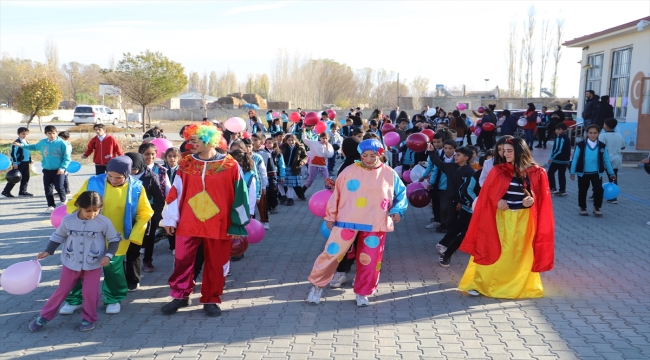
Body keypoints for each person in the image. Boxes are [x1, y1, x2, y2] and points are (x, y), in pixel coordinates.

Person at [160, 123, 251, 317]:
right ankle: (180, 296)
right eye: (189, 140)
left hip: (219, 224)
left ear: (209, 140)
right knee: (182, 261)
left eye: (195, 140)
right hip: (188, 223)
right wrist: (170, 218)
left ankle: (211, 299)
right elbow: (175, 192)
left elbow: (240, 195)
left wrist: (237, 223)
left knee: (216, 263)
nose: (190, 144)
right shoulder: (186, 164)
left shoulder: (230, 165)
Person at [307, 139, 407, 306]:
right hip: (347, 220)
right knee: (331, 255)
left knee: (370, 260)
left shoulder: (389, 173)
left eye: (373, 155)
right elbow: (336, 194)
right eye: (364, 155)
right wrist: (331, 216)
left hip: (375, 222)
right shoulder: (349, 171)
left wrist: (398, 210)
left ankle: (363, 292)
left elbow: (401, 194)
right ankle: (317, 286)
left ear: (380, 155)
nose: (368, 159)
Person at [459, 137, 555, 299]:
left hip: (524, 219)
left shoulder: (537, 172)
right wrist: (498, 201)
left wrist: (532, 200)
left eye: (509, 151)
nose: (505, 154)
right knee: (492, 248)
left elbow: (542, 198)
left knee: (519, 253)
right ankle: (480, 284)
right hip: (501, 218)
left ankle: (515, 285)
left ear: (520, 151)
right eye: (504, 151)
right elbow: (487, 195)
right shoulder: (498, 170)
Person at [59, 156, 153, 315]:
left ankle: (114, 298)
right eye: (110, 176)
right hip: (88, 236)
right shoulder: (93, 182)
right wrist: (76, 216)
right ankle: (74, 299)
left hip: (118, 237)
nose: (113, 180)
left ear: (128, 174)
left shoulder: (136, 187)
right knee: (79, 267)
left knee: (114, 270)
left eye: (119, 177)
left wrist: (135, 234)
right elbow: (75, 201)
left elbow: (145, 212)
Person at [29, 191, 122, 332]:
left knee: (90, 293)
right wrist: (48, 250)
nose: (92, 214)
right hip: (70, 263)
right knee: (62, 291)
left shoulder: (104, 222)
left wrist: (108, 256)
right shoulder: (68, 221)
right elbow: (58, 236)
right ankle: (44, 316)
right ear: (79, 206)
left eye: (96, 211)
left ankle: (89, 318)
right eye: (88, 211)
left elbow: (114, 240)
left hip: (93, 264)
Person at [428, 146, 476, 267]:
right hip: (452, 200)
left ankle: (445, 244)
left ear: (466, 158)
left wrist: (462, 202)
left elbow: (467, 189)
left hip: (463, 203)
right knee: (455, 224)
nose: (455, 156)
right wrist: (432, 151)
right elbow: (438, 162)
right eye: (456, 154)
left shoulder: (469, 172)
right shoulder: (451, 167)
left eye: (458, 155)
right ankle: (444, 245)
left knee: (459, 225)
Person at [123, 152, 164, 291]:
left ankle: (135, 278)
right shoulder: (121, 176)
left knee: (136, 248)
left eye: (135, 168)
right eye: (130, 168)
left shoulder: (150, 176)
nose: (132, 171)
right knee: (122, 250)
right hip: (123, 216)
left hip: (145, 215)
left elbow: (159, 198)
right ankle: (122, 278)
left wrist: (157, 216)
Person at [13, 125, 71, 212]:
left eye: (53, 133)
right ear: (46, 134)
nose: (52, 135)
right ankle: (51, 206)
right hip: (47, 169)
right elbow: (33, 147)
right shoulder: (43, 142)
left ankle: (63, 201)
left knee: (59, 187)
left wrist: (62, 168)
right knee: (48, 189)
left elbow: (67, 158)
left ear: (56, 133)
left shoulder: (62, 143)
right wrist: (21, 145)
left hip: (59, 170)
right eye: (49, 133)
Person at [570, 124, 616, 217]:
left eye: (595, 133)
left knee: (598, 190)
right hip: (583, 173)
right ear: (587, 133)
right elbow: (575, 158)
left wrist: (611, 173)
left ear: (598, 133)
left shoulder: (602, 146)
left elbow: (606, 160)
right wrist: (572, 171)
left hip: (596, 173)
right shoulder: (581, 145)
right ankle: (582, 207)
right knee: (582, 190)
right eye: (590, 133)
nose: (592, 135)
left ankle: (597, 207)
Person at [598, 118, 625, 204]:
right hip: (617, 158)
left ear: (605, 125)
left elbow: (599, 147)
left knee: (598, 177)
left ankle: (598, 194)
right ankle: (614, 196)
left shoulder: (602, 136)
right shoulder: (619, 135)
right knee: (613, 176)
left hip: (606, 159)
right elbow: (623, 147)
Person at [2, 127, 32, 197]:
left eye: (26, 134)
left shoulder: (26, 142)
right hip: (19, 163)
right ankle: (6, 191)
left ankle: (22, 191)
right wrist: (15, 163)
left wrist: (30, 159)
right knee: (15, 177)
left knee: (26, 177)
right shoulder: (16, 143)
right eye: (23, 134)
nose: (25, 135)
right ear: (18, 134)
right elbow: (13, 154)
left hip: (26, 162)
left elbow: (27, 151)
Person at [280, 134, 308, 205]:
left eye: (292, 140)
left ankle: (290, 199)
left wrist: (302, 161)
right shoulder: (283, 146)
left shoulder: (300, 147)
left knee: (290, 184)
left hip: (293, 168)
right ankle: (283, 196)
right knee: (280, 182)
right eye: (289, 140)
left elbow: (305, 156)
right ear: (286, 141)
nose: (291, 142)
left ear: (295, 140)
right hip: (283, 167)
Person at [163, 147, 181, 252]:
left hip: (178, 200)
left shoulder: (182, 170)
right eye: (169, 156)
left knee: (177, 221)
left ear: (179, 158)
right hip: (166, 200)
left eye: (175, 156)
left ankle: (177, 244)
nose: (172, 159)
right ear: (166, 158)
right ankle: (172, 245)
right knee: (168, 221)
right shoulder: (162, 170)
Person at [547, 123, 571, 197]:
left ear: (564, 130)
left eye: (559, 129)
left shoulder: (560, 138)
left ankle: (553, 188)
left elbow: (558, 149)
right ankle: (562, 190)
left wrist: (552, 158)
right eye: (556, 129)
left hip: (557, 159)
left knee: (550, 173)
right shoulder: (566, 137)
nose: (557, 131)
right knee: (561, 175)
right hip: (565, 160)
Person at [56, 131, 73, 196]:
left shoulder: (66, 145)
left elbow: (66, 155)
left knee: (64, 177)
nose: (59, 139)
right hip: (61, 162)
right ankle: (62, 190)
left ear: (66, 138)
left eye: (61, 138)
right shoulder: (62, 143)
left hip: (64, 163)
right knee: (62, 177)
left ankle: (66, 190)